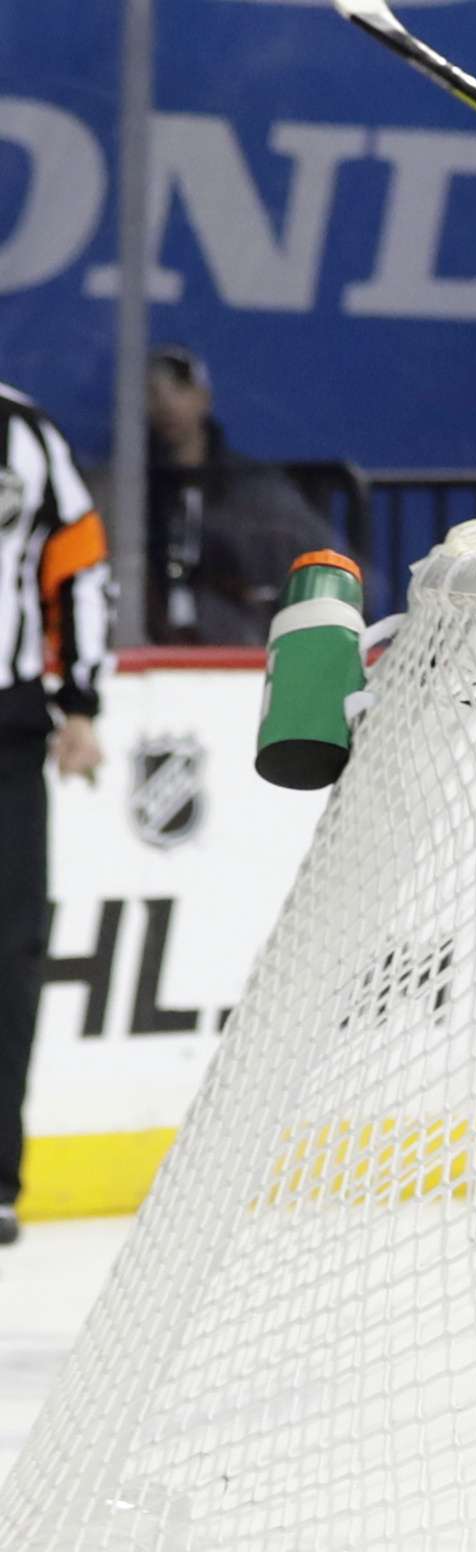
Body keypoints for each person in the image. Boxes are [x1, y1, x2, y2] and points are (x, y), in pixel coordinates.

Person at [3, 377, 113, 1247]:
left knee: (7, 955)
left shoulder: (24, 430)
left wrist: (80, 702)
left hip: (3, 732)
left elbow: (76, 561)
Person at [117, 345, 328, 646]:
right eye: (153, 392)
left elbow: (319, 560)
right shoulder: (131, 490)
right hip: (154, 642)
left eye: (180, 388)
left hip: (234, 641)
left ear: (204, 397)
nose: (167, 403)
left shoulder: (251, 487)